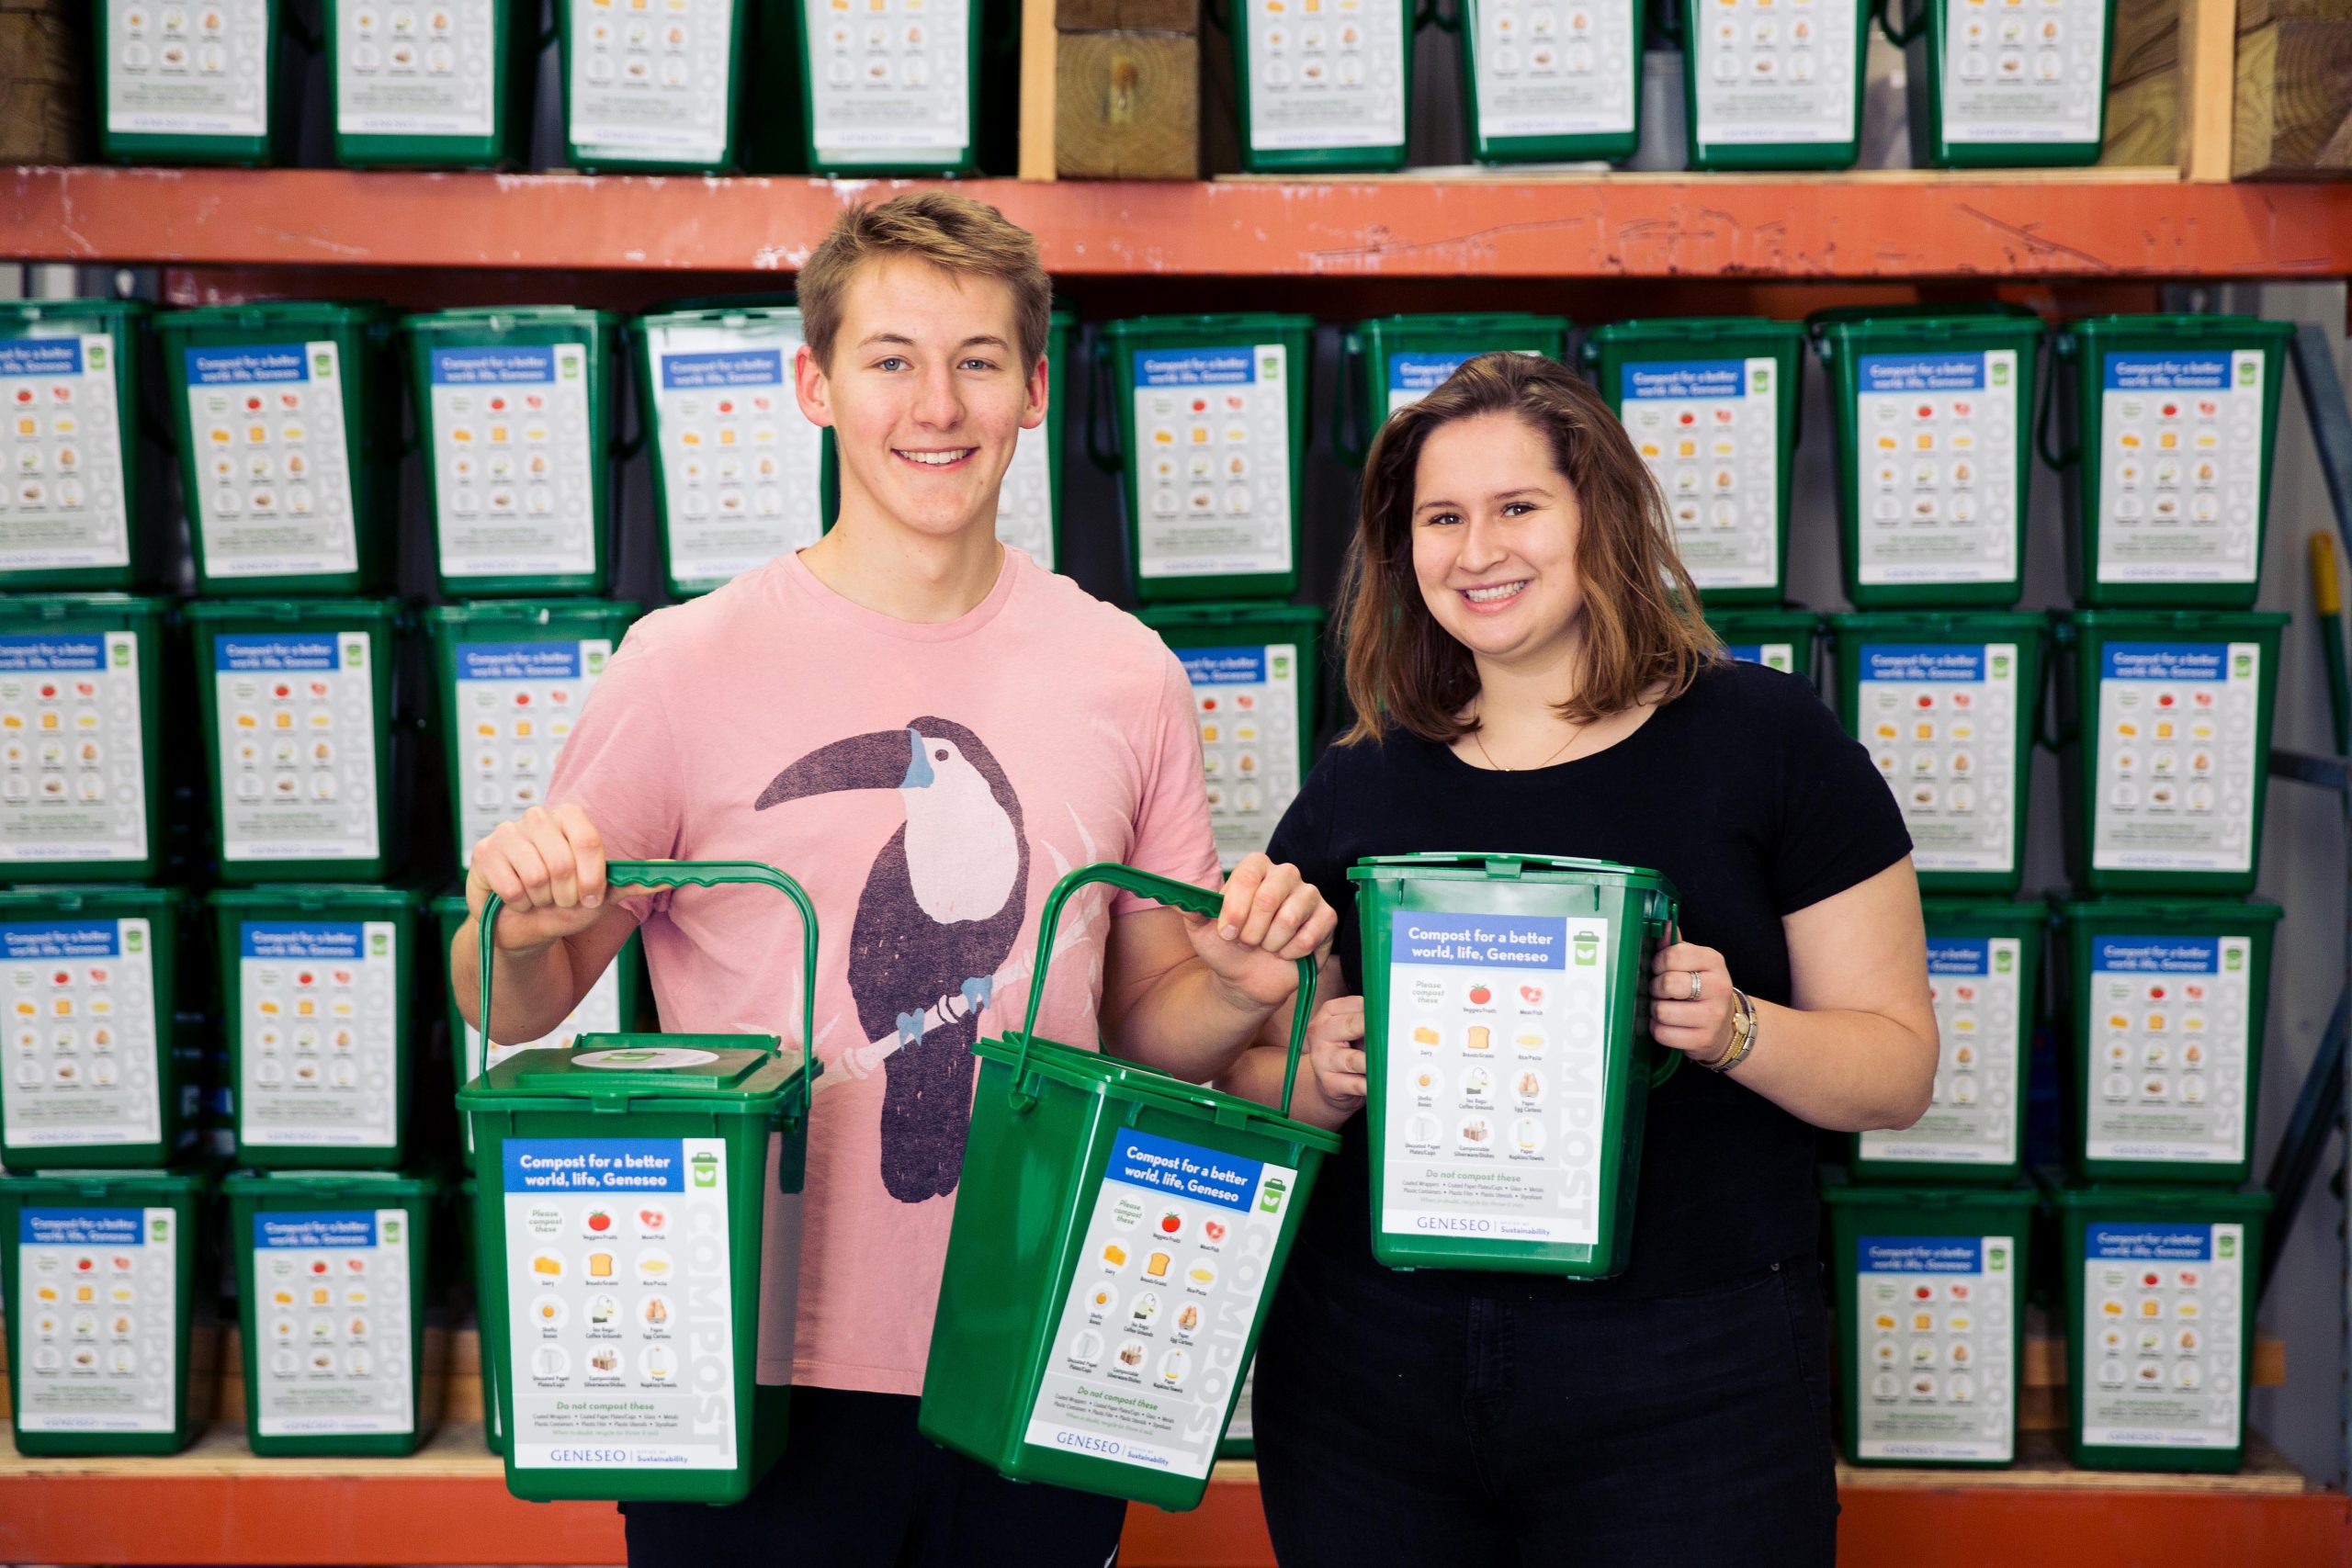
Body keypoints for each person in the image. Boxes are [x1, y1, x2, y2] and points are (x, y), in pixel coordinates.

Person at [451, 192, 1337, 1568]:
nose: (938, 403)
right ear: (816, 384)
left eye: (980, 359)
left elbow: (1143, 1017)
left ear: (1036, 391)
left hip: (1034, 1343)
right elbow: (512, 1000)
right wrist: (515, 920)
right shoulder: (681, 664)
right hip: (747, 1361)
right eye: (890, 360)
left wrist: (1230, 992)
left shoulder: (1127, 675)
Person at [1219, 352, 1938, 1566]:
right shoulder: (1364, 776)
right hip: (1370, 1376)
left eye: (1517, 509)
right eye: (1440, 519)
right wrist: (1317, 1073)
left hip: (1690, 1382)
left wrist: (1737, 1029)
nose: (1476, 550)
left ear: (1600, 515)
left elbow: (1898, 1070)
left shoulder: (1768, 744)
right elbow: (1250, 1077)